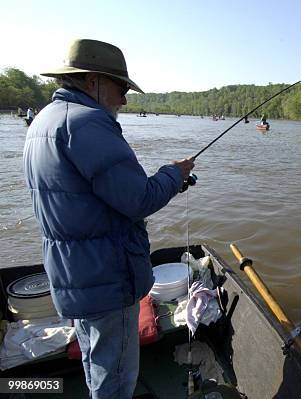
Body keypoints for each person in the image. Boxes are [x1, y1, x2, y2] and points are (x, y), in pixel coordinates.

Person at [23, 39, 195, 398]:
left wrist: (169, 183)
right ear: (93, 80)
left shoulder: (44, 120)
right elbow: (138, 199)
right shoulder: (88, 124)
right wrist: (172, 174)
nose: (125, 99)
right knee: (115, 377)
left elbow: (95, 196)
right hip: (107, 277)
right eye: (121, 87)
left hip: (74, 273)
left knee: (94, 361)